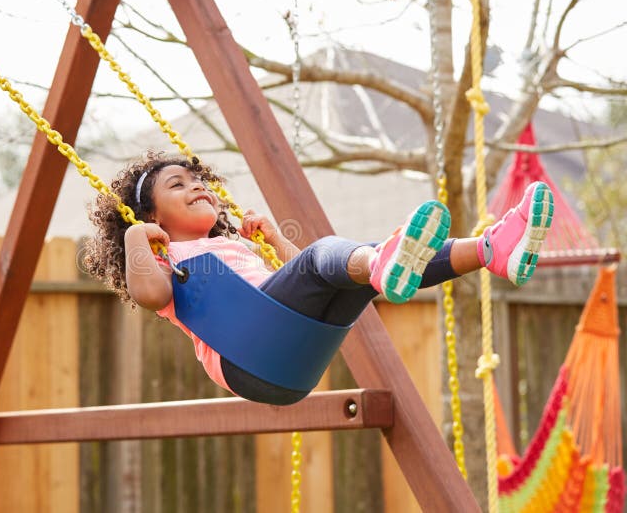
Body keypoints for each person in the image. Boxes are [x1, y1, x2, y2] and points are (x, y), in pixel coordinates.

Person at [84, 151, 554, 405]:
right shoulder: (172, 257)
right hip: (246, 356)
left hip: (289, 358)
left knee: (350, 270)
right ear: (149, 214)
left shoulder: (239, 249)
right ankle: (382, 264)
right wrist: (136, 240)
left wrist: (271, 238)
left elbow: (297, 280)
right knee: (333, 253)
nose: (197, 187)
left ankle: (493, 251)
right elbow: (149, 295)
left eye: (198, 180)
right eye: (178, 185)